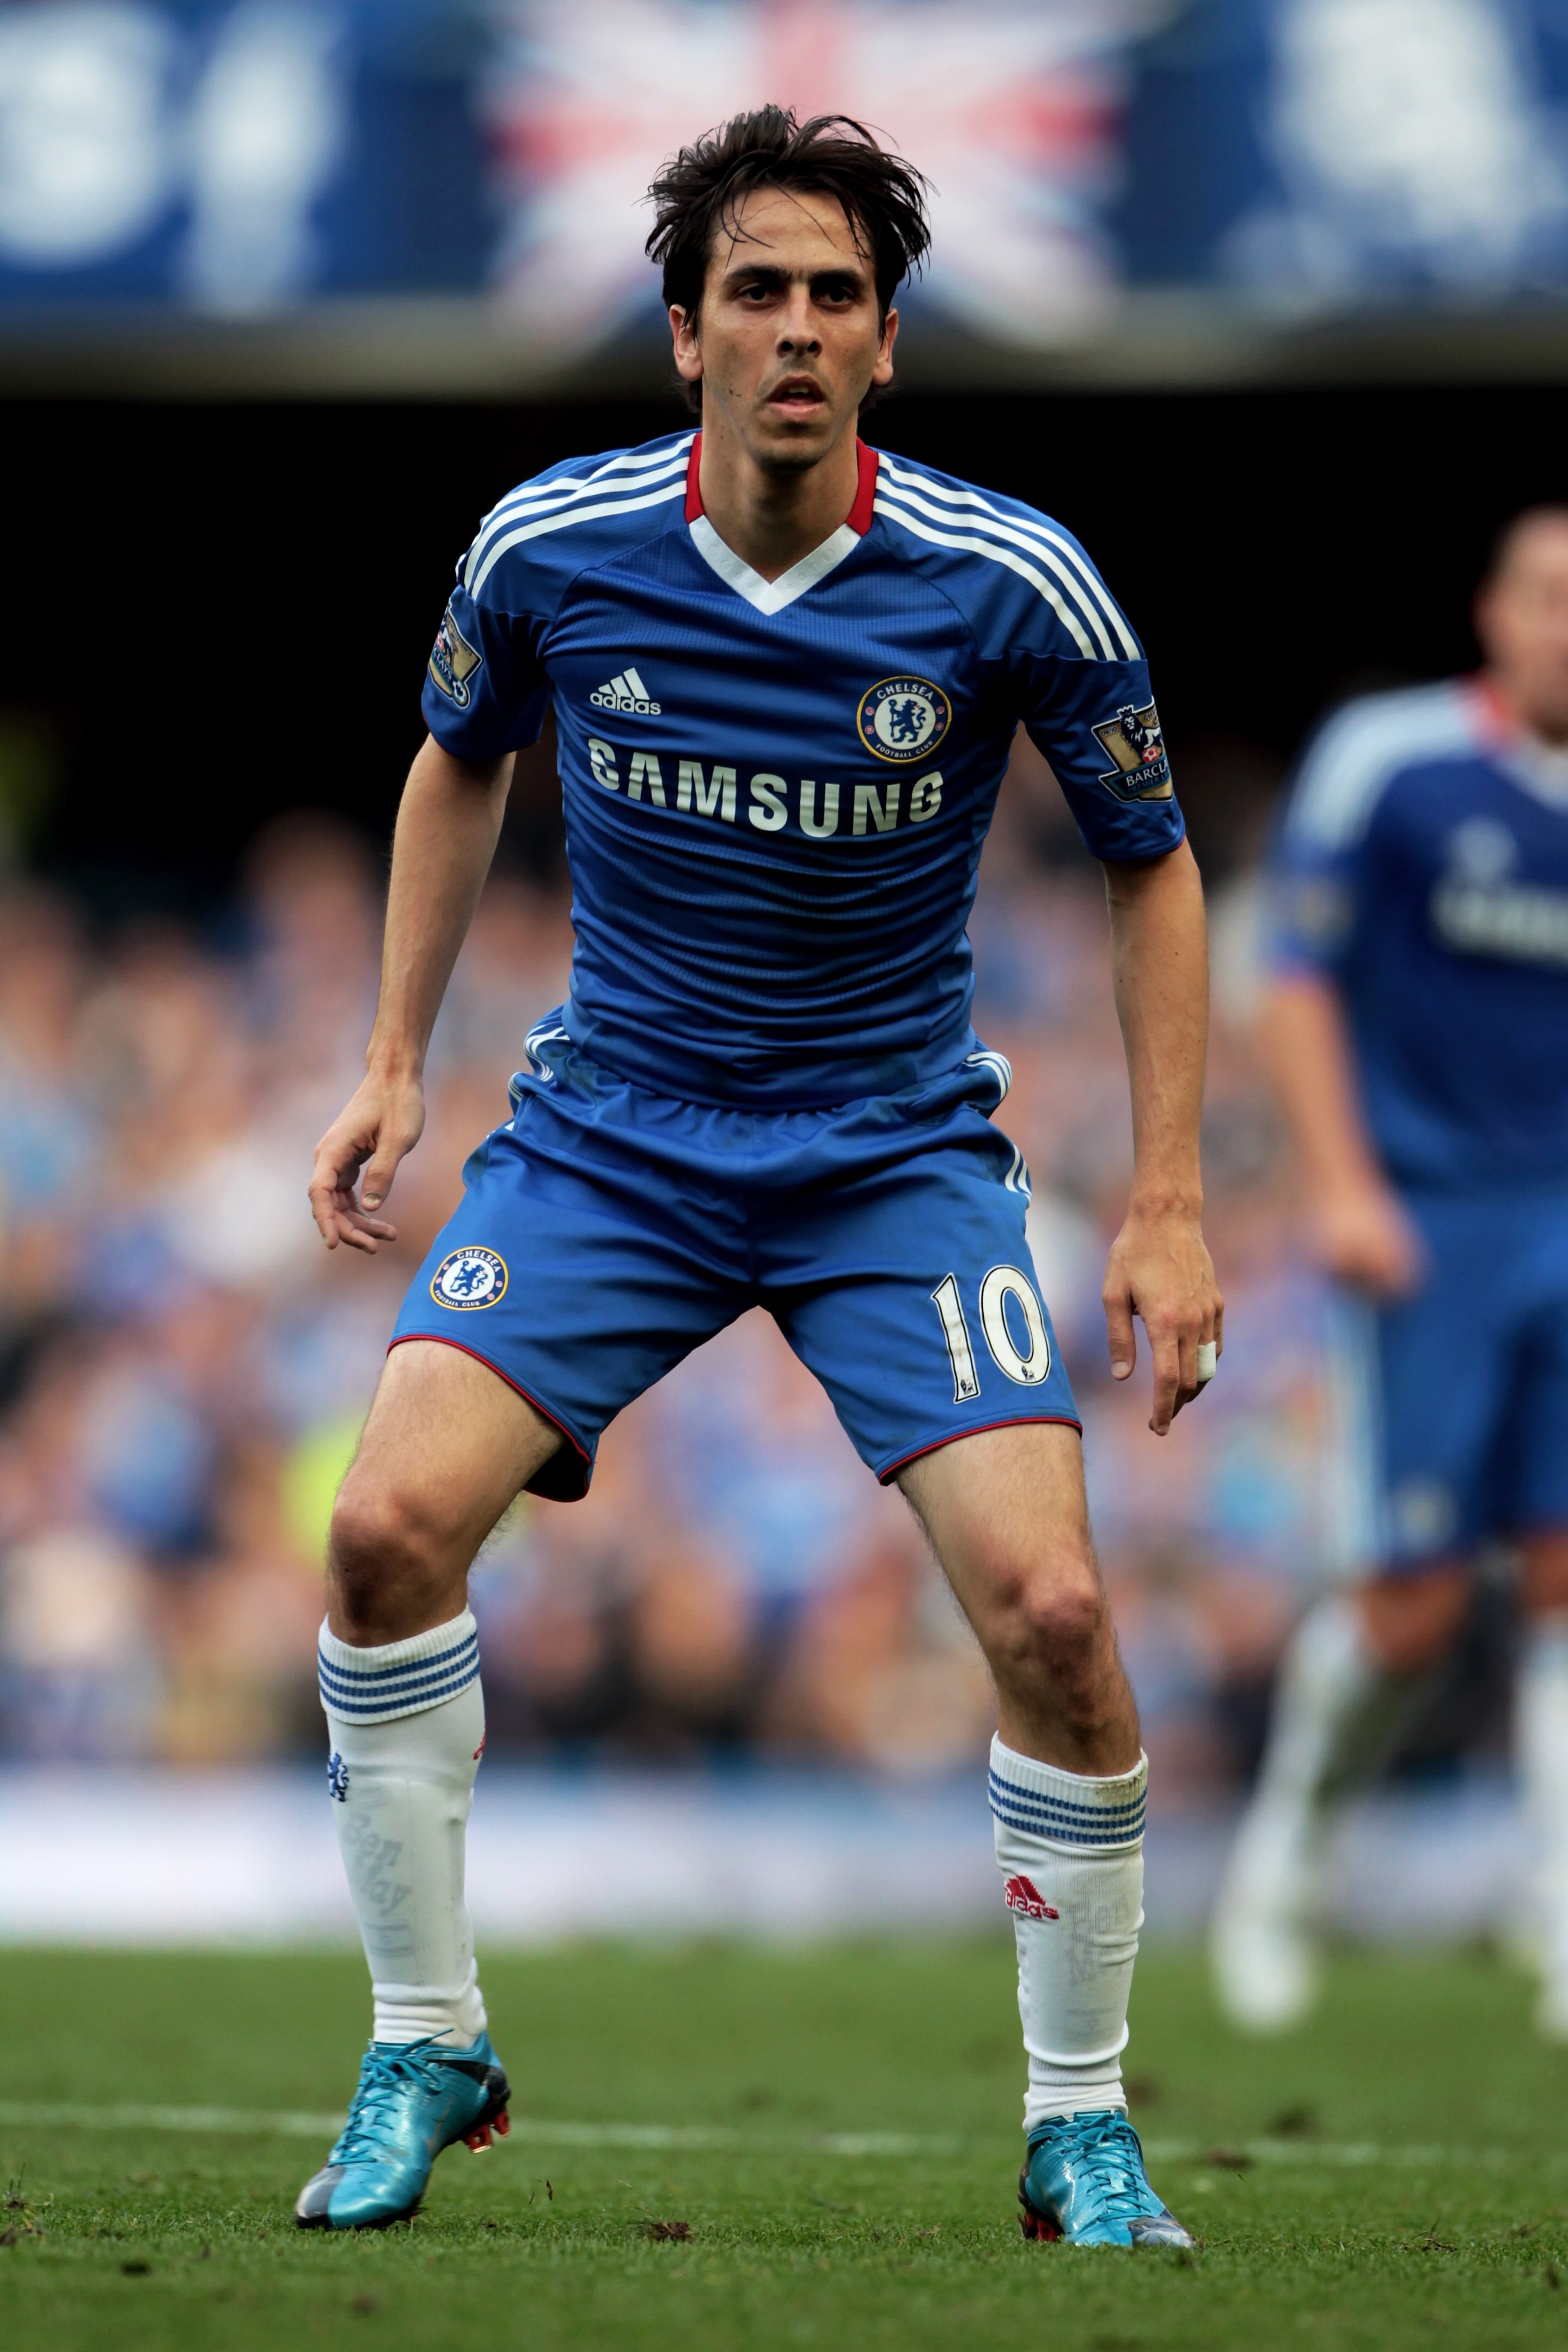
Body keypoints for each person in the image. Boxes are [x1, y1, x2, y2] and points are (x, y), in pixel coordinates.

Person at [298, 107, 1219, 2244]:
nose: (794, 329)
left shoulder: (1011, 579)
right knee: (377, 1534)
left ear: (886, 344)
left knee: (1062, 1617)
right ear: (682, 332)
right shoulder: (552, 546)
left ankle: (1078, 2112)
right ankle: (424, 2035)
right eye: (756, 292)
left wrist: (1167, 1193)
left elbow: (1153, 868)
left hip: (892, 1152)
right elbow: (460, 760)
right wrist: (391, 1064)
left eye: (834, 296)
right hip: (612, 1138)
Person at [1212, 508, 1568, 2036]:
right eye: (1553, 595)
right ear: (1495, 610)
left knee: (1564, 1574)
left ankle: (1557, 1916)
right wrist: (1344, 1184)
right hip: (1428, 1218)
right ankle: (1282, 1867)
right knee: (1413, 1603)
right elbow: (1294, 975)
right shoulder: (1393, 762)